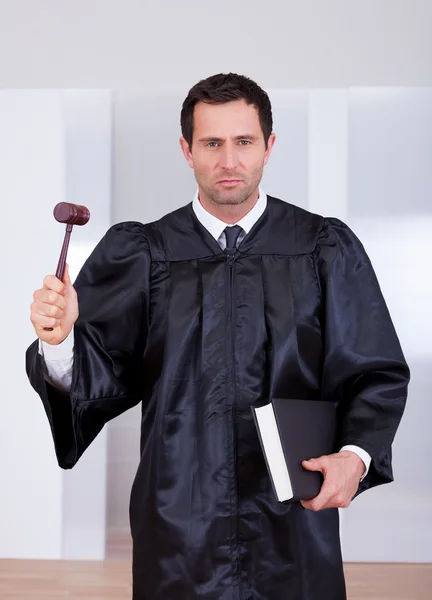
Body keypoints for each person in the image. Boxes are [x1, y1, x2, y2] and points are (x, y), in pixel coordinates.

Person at [26, 73, 410, 600]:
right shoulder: (145, 252)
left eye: (244, 142)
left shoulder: (322, 247)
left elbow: (375, 372)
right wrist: (61, 340)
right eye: (211, 143)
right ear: (187, 150)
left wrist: (356, 455)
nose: (229, 161)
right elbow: (102, 374)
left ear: (269, 146)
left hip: (291, 517)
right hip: (179, 517)